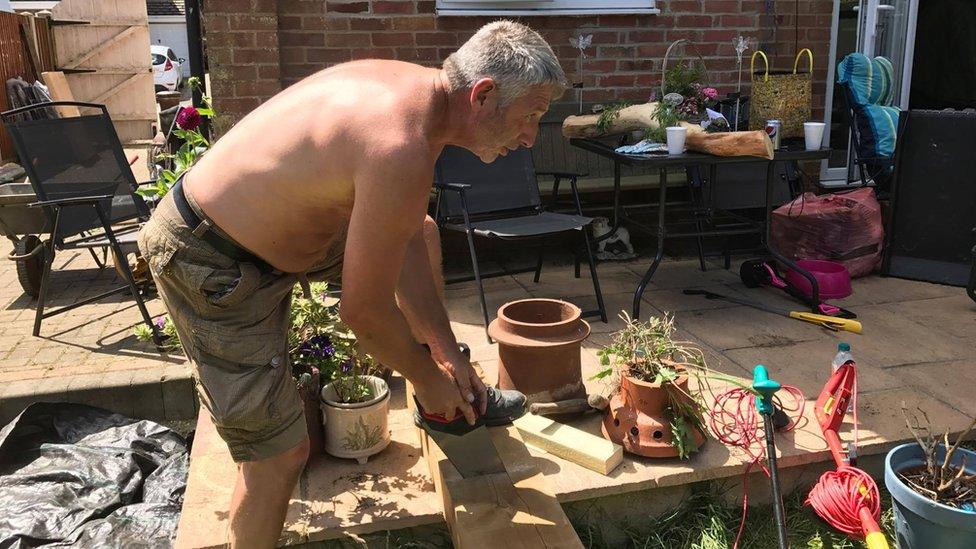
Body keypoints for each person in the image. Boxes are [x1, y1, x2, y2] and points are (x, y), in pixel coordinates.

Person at [137, 20, 566, 548]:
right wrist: (422, 376)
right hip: (211, 260)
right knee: (277, 455)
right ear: (484, 94)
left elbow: (406, 233)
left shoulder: (420, 100)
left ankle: (449, 388)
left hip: (273, 235)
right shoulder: (399, 143)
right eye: (531, 117)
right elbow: (363, 314)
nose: (529, 138)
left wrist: (444, 354)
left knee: (422, 231)